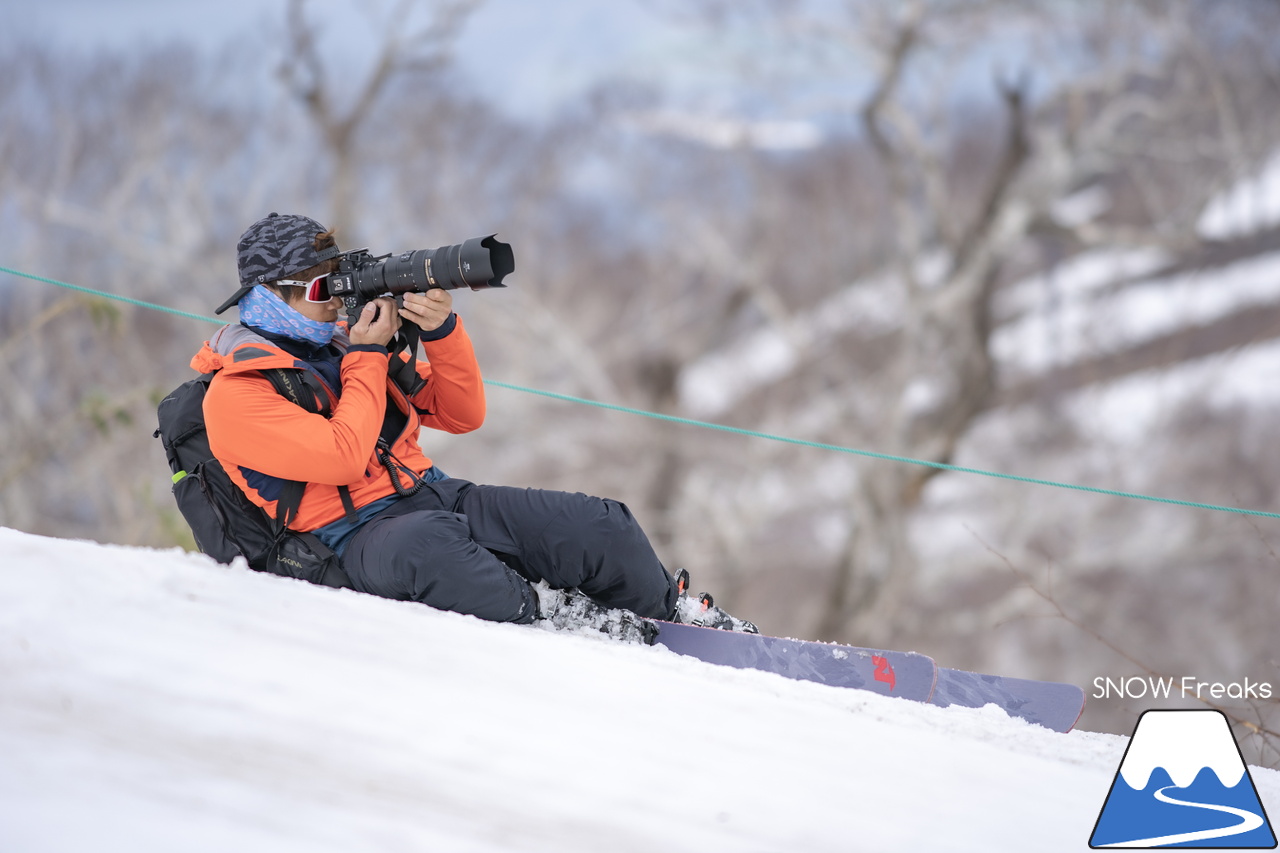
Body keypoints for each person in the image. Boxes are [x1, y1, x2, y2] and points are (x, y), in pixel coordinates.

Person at [193, 212, 756, 640]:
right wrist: (365, 355)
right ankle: (558, 615)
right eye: (320, 290)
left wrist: (442, 332)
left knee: (599, 523)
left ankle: (671, 614)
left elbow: (463, 414)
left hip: (432, 492)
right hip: (348, 538)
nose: (336, 302)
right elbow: (341, 454)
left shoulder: (348, 346)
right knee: (431, 546)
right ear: (267, 297)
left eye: (337, 281)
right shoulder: (236, 393)